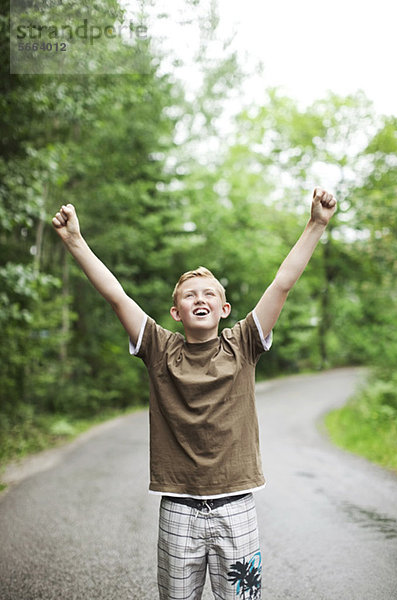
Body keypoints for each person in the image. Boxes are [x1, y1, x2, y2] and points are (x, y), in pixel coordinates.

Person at [52, 187, 337, 600]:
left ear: (224, 309)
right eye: (189, 295)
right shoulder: (158, 347)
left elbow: (282, 284)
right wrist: (76, 242)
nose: (199, 298)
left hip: (238, 508)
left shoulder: (243, 344)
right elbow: (116, 296)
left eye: (210, 294)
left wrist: (316, 224)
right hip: (179, 511)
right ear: (176, 312)